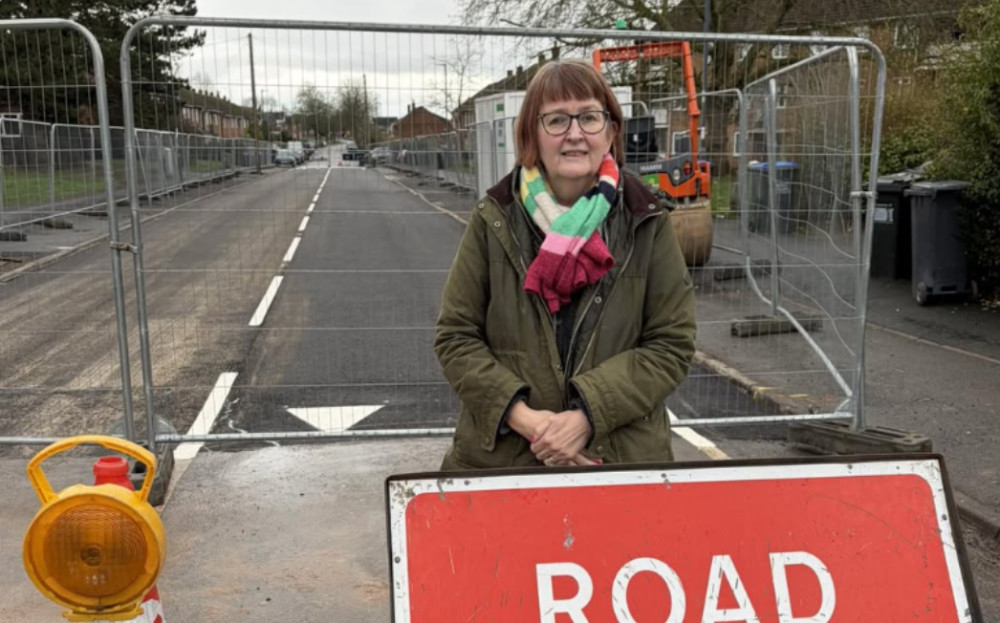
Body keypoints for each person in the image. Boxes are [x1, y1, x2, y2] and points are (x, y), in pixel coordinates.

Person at [434, 59, 696, 470]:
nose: (575, 134)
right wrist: (529, 422)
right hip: (507, 461)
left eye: (589, 117)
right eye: (556, 120)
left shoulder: (647, 221)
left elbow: (670, 344)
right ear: (531, 135)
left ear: (610, 131)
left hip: (617, 460)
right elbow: (456, 338)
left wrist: (586, 417)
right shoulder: (493, 219)